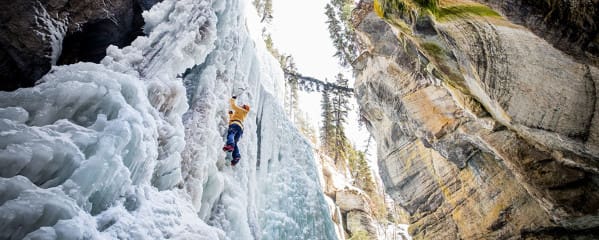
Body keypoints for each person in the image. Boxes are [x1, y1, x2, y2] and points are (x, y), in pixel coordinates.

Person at [223, 96, 250, 166]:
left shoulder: (241, 110)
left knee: (231, 134)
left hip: (235, 124)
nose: (241, 106)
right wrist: (230, 114)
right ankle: (236, 156)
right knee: (235, 142)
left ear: (244, 108)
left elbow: (233, 106)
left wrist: (233, 99)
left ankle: (230, 145)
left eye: (243, 106)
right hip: (240, 127)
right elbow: (232, 119)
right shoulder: (242, 114)